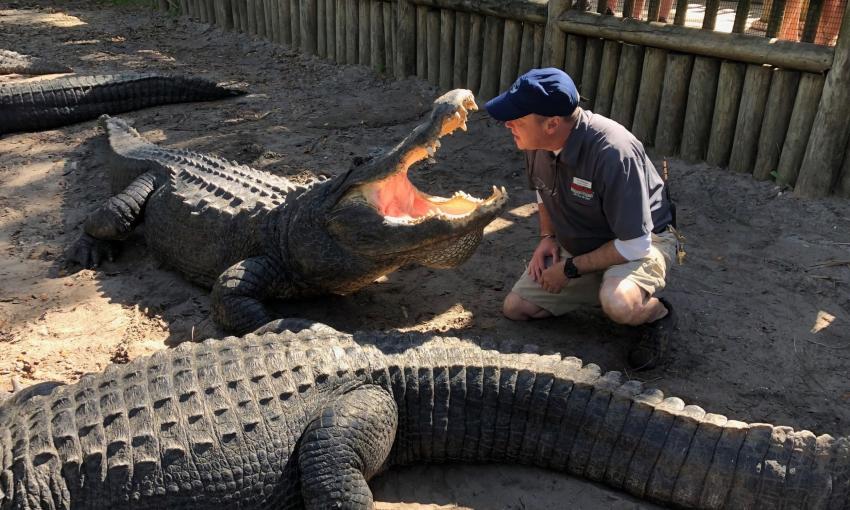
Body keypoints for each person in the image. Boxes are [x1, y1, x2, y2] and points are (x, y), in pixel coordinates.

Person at [485, 67, 679, 370]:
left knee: (618, 303)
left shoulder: (614, 152)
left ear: (552, 123)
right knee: (517, 308)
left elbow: (635, 245)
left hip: (641, 241)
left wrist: (569, 269)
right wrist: (547, 237)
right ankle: (604, 285)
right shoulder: (535, 143)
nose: (508, 124)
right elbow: (542, 190)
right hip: (587, 242)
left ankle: (656, 314)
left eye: (518, 119)